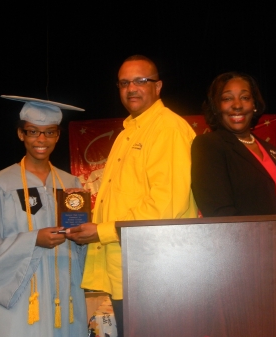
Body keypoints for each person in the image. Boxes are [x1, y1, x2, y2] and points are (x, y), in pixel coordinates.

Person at [65, 55, 198, 337]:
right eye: (124, 83)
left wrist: (101, 231)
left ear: (158, 86)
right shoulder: (129, 131)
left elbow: (165, 205)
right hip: (128, 269)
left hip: (153, 271)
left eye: (141, 80)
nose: (131, 88)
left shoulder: (167, 128)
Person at [0, 96, 88, 336]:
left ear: (58, 135)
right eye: (33, 131)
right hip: (17, 296)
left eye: (49, 132)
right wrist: (33, 240)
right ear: (21, 134)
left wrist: (83, 238)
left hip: (63, 292)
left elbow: (82, 245)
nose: (41, 139)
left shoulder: (71, 184)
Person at [191, 72, 276, 217]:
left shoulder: (273, 152)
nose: (237, 105)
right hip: (243, 239)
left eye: (245, 98)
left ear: (254, 105)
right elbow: (218, 211)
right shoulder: (209, 145)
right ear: (216, 106)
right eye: (227, 98)